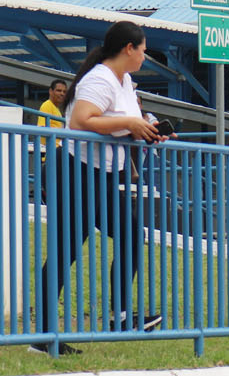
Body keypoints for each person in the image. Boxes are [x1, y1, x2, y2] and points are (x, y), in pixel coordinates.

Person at [35, 21, 170, 356]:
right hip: (76, 173)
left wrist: (148, 129)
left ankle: (122, 316)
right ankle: (42, 338)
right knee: (65, 250)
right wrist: (128, 123)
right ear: (128, 48)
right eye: (143, 48)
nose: (144, 54)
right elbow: (82, 119)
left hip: (107, 175)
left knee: (130, 235)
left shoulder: (125, 82)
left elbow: (124, 123)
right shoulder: (99, 78)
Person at [36, 79, 67, 199]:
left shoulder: (56, 109)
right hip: (50, 156)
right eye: (59, 90)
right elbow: (43, 127)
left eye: (64, 91)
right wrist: (64, 134)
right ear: (50, 91)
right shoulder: (47, 105)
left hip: (57, 155)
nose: (62, 93)